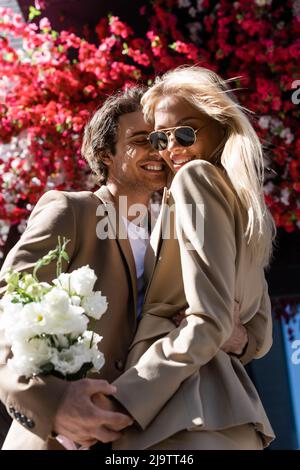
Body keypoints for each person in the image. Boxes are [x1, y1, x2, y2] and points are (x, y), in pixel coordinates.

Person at [0, 85, 249, 451]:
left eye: (162, 139)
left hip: (144, 438)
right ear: (105, 154)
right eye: (142, 139)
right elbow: (10, 302)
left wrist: (236, 337)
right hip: (59, 438)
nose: (159, 150)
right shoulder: (72, 210)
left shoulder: (179, 227)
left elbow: (228, 322)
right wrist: (48, 401)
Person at [104, 67, 277, 450]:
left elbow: (209, 323)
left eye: (185, 132)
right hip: (223, 413)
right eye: (159, 138)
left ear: (219, 127)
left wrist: (122, 399)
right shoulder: (244, 204)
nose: (171, 148)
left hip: (179, 411)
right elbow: (259, 334)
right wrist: (237, 338)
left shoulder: (194, 179)